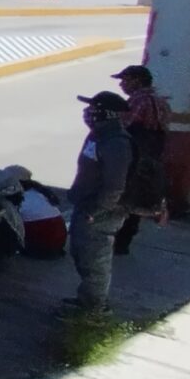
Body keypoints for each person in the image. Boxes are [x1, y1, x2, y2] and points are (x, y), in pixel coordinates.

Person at [65, 91, 135, 316]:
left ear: (107, 113)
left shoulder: (116, 144)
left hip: (100, 213)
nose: (87, 112)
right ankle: (86, 301)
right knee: (83, 255)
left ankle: (95, 309)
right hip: (86, 206)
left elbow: (115, 186)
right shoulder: (98, 136)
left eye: (93, 108)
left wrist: (97, 211)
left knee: (95, 261)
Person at [111, 64, 170, 256]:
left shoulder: (138, 101)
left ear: (137, 81)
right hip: (152, 158)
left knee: (122, 198)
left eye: (125, 80)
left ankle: (117, 242)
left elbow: (122, 126)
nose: (122, 84)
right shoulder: (160, 102)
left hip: (134, 157)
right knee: (137, 199)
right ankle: (124, 242)